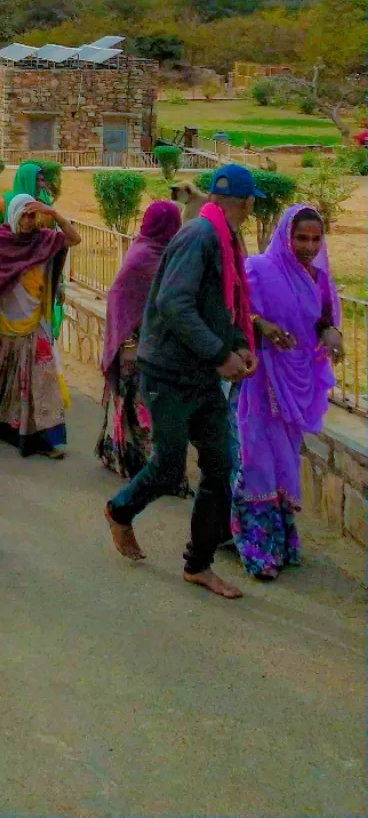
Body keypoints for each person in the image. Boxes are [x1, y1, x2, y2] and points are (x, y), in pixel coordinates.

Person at [104, 163, 260, 599]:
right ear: (247, 203)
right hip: (168, 373)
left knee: (220, 465)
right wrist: (220, 353)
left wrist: (238, 343)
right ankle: (120, 511)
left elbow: (220, 305)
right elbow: (175, 303)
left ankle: (199, 564)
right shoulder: (200, 237)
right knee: (169, 466)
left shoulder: (222, 238)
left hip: (200, 374)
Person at [231, 205, 343, 580]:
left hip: (298, 383)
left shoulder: (319, 277)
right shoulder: (260, 269)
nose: (309, 246)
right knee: (258, 457)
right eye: (301, 238)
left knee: (285, 461)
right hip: (262, 380)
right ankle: (257, 550)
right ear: (285, 236)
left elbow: (325, 317)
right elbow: (235, 310)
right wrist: (261, 324)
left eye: (315, 239)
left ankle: (280, 542)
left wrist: (331, 332)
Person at [0, 193, 81, 458]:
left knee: (40, 384)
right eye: (25, 215)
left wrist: (53, 214)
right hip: (1, 323)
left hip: (34, 323)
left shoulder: (44, 240)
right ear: (14, 215)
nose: (29, 221)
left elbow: (74, 239)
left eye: (33, 215)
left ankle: (43, 439)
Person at [96, 201, 185, 480]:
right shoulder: (147, 257)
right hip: (135, 344)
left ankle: (136, 460)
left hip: (143, 342)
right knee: (141, 404)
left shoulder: (152, 251)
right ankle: (145, 464)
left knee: (139, 403)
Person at [0, 160, 54, 233]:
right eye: (36, 180)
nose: (42, 185)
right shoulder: (4, 203)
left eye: (42, 180)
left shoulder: (42, 205)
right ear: (24, 180)